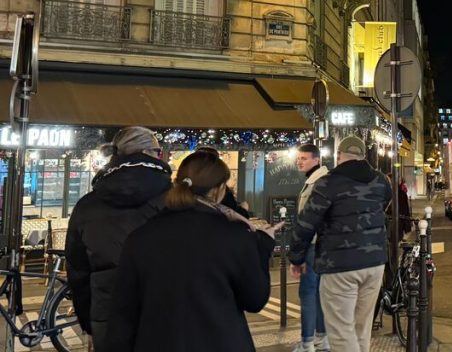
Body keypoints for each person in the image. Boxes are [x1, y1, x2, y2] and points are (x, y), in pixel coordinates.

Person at [108, 149, 282, 351]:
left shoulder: (141, 237)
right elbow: (254, 300)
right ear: (218, 189)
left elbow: (123, 313)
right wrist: (263, 245)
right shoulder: (235, 236)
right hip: (221, 342)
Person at [66, 127, 171, 352]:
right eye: (159, 151)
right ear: (150, 153)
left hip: (107, 313)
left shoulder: (88, 204)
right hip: (167, 311)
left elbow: (78, 270)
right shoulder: (175, 201)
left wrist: (89, 321)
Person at [288, 136, 391, 352]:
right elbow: (384, 203)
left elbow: (307, 222)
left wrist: (296, 258)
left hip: (340, 264)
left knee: (342, 332)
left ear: (338, 155)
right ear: (364, 156)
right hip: (375, 263)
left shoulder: (328, 182)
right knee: (361, 329)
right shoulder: (380, 180)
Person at [291, 144, 331, 352]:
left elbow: (306, 222)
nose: (299, 161)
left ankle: (307, 342)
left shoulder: (316, 183)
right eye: (298, 158)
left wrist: (296, 256)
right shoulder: (320, 181)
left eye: (304, 158)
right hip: (322, 246)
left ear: (317, 160)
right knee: (318, 293)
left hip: (313, 246)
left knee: (307, 293)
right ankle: (321, 338)